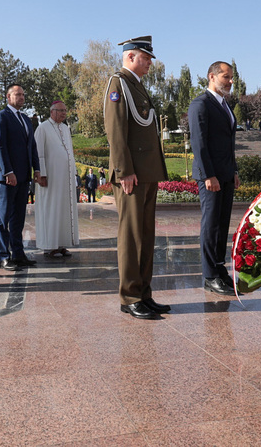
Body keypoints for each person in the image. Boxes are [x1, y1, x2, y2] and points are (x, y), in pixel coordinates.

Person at [104, 35, 169, 320]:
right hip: (132, 174)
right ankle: (129, 296)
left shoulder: (136, 86)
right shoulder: (118, 84)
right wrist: (124, 170)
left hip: (146, 172)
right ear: (131, 56)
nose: (149, 64)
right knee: (131, 237)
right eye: (146, 58)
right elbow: (116, 130)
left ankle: (143, 293)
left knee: (145, 235)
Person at [189, 61, 241, 295]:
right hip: (210, 177)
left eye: (231, 78)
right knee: (210, 225)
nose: (231, 82)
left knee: (221, 225)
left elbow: (228, 143)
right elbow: (199, 144)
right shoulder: (200, 104)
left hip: (226, 174)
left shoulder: (224, 106)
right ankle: (210, 276)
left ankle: (220, 271)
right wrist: (209, 174)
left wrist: (234, 170)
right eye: (226, 77)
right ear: (212, 76)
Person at [0, 84, 41, 270]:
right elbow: (0, 146)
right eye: (17, 94)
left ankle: (18, 254)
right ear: (8, 96)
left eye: (23, 94)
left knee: (18, 218)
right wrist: (7, 171)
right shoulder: (0, 117)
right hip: (7, 177)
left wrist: (36, 169)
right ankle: (4, 256)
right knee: (4, 217)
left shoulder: (26, 120)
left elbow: (32, 147)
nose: (21, 97)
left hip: (23, 176)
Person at [34, 101, 79, 258]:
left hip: (64, 179)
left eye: (65, 111)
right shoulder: (43, 128)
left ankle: (61, 244)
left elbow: (69, 153)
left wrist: (73, 173)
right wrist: (42, 174)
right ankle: (49, 246)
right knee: (50, 210)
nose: (63, 113)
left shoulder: (66, 128)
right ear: (52, 111)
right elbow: (38, 153)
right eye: (60, 110)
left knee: (64, 211)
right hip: (50, 178)